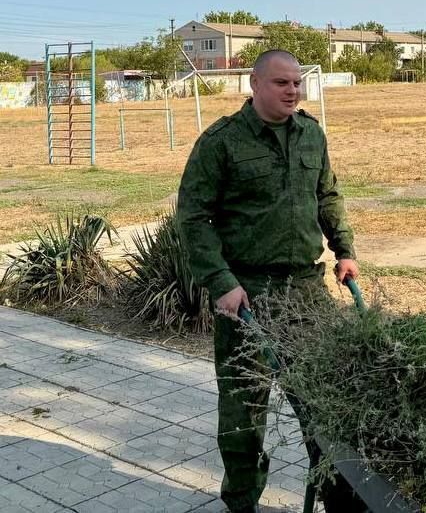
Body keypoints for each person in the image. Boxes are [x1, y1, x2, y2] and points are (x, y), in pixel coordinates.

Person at [177, 50, 360, 513]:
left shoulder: (311, 134)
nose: (292, 91)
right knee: (244, 408)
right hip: (247, 294)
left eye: (297, 83)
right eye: (281, 83)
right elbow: (194, 218)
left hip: (306, 291)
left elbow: (327, 195)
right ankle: (242, 502)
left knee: (326, 400)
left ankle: (338, 498)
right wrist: (221, 282)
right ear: (254, 85)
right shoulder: (222, 142)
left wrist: (344, 250)